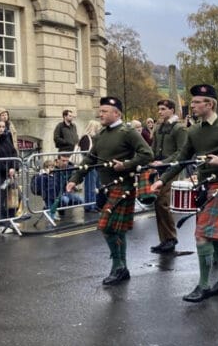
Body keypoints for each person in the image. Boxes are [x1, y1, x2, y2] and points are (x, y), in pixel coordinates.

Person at [151, 84, 218, 303]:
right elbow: (182, 158)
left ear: (210, 104)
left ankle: (204, 285)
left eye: (197, 102)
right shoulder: (194, 130)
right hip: (203, 188)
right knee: (217, 237)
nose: (192, 106)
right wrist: (162, 180)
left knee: (202, 236)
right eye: (193, 102)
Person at [65, 97, 153, 286]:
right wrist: (74, 179)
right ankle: (121, 268)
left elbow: (147, 154)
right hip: (106, 187)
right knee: (116, 229)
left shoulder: (128, 132)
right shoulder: (102, 134)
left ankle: (118, 267)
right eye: (100, 110)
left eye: (104, 111)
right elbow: (90, 159)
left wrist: (127, 165)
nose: (100, 114)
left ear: (117, 113)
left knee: (106, 226)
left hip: (124, 186)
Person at [149, 99, 187, 254]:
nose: (160, 112)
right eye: (159, 109)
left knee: (164, 202)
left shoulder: (179, 129)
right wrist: (150, 161)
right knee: (158, 204)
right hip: (158, 168)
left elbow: (181, 152)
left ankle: (170, 239)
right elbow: (152, 149)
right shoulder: (158, 127)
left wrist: (164, 162)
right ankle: (164, 239)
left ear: (172, 110)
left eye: (163, 109)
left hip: (172, 168)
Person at [0, 117, 21, 232]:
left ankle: (10, 220)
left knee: (16, 196)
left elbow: (13, 153)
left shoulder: (7, 137)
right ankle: (0, 225)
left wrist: (14, 167)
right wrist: (7, 169)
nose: (1, 129)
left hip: (10, 174)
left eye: (3, 126)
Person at [77, 120, 102, 211]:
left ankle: (94, 204)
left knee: (95, 185)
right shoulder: (86, 138)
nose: (99, 130)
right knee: (90, 185)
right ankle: (89, 205)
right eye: (97, 128)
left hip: (95, 164)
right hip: (89, 165)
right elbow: (86, 153)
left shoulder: (94, 138)